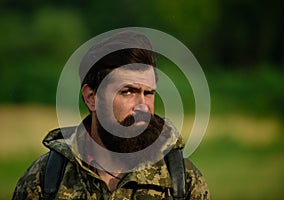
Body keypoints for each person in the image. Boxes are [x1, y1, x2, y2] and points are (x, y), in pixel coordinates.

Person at [12, 30, 211, 199]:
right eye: (127, 92)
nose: (143, 106)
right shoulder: (45, 179)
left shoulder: (182, 180)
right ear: (91, 97)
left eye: (148, 93)